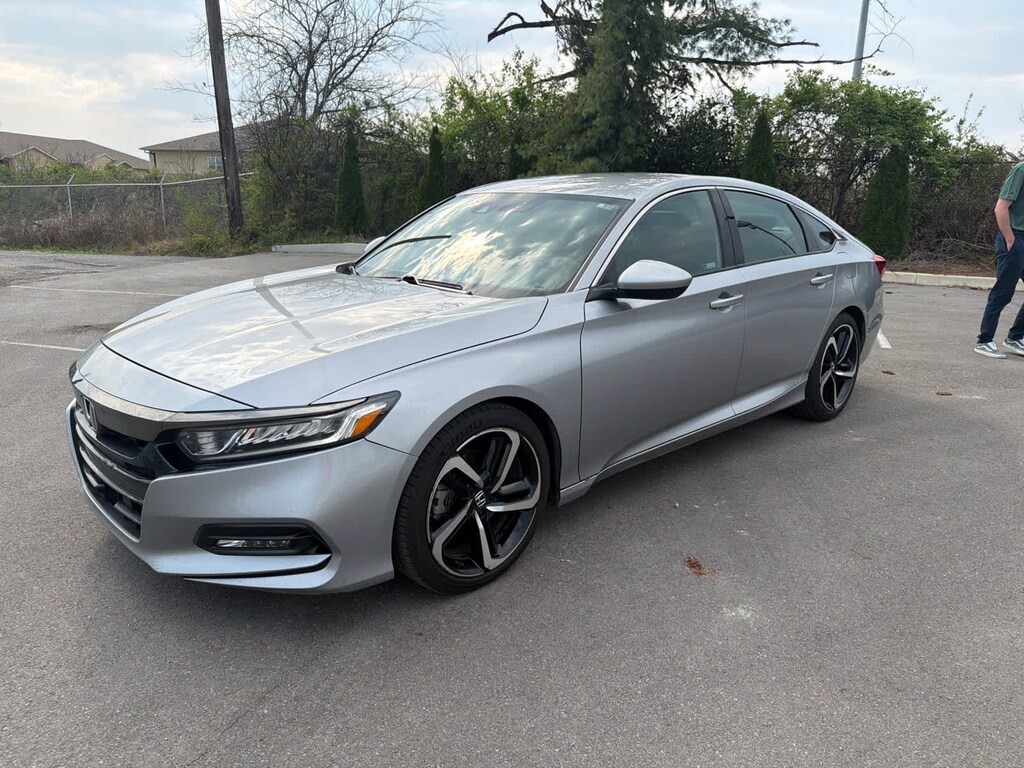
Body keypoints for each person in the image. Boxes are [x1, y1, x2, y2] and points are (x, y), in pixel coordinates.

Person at [975, 162, 1024, 358]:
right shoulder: (1021, 169)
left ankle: (1015, 337)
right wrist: (1009, 238)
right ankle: (984, 340)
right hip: (1014, 238)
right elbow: (1001, 207)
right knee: (1003, 292)